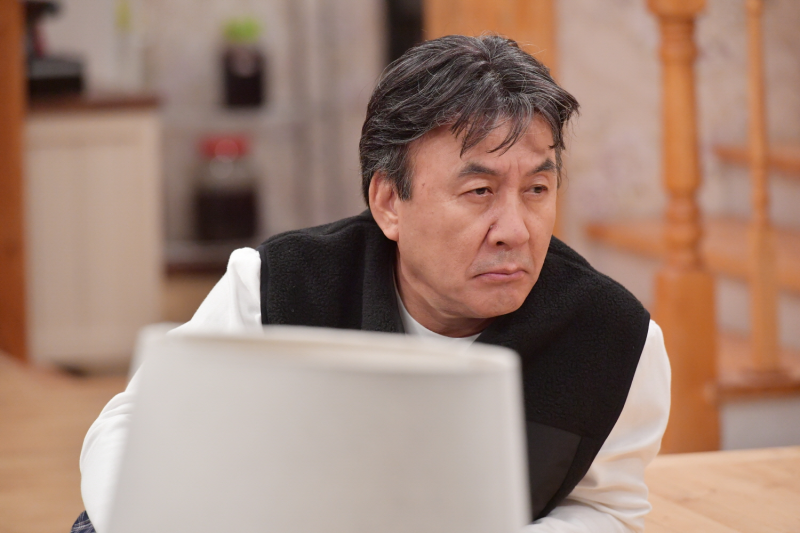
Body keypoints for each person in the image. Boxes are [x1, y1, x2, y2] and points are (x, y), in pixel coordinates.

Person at [75, 34, 670, 533]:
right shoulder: (276, 288)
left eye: (537, 189)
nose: (515, 230)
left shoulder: (616, 341)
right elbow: (131, 429)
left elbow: (605, 509)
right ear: (388, 201)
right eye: (479, 191)